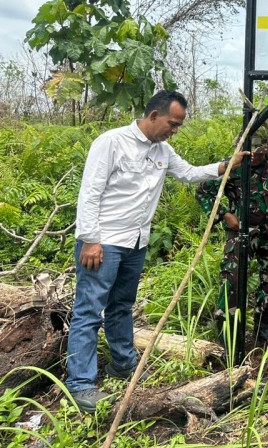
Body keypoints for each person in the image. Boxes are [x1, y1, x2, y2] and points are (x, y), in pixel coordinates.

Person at [67, 90, 248, 414]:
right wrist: (90, 239)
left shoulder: (162, 151)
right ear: (153, 115)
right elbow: (90, 191)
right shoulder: (112, 143)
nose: (174, 130)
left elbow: (189, 173)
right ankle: (81, 384)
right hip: (104, 243)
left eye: (178, 126)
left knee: (122, 306)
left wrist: (225, 166)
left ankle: (123, 364)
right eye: (172, 123)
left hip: (136, 243)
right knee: (89, 311)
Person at [195, 130, 268, 347]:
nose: (257, 158)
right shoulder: (231, 166)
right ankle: (228, 333)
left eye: (261, 154)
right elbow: (203, 192)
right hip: (241, 231)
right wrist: (225, 215)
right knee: (232, 280)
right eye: (253, 155)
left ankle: (263, 329)